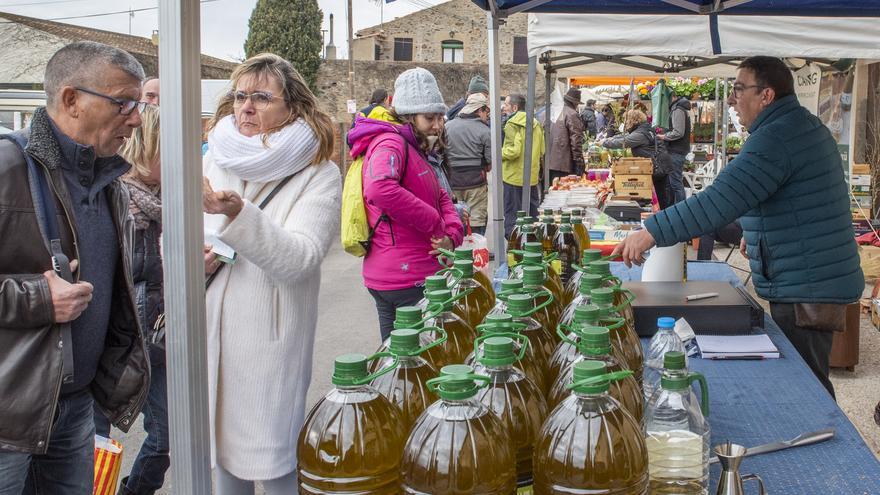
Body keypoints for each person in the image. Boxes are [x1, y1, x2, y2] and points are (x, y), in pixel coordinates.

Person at [613, 56, 864, 398]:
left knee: (806, 384)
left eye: (739, 89)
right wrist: (755, 231)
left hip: (808, 283)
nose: (732, 98)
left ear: (766, 95)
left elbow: (720, 200)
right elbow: (786, 196)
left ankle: (827, 442)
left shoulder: (778, 137)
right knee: (805, 375)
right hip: (810, 274)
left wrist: (650, 233)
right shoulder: (792, 126)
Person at [0, 41, 150, 494]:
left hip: (76, 408)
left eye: (138, 104)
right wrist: (41, 299)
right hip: (8, 418)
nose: (137, 117)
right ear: (71, 100)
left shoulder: (108, 182)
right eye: (123, 102)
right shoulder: (7, 167)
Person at [201, 53, 341, 494]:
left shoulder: (318, 173)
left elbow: (301, 258)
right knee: (220, 459)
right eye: (240, 95)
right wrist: (193, 254)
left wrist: (240, 215)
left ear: (293, 107)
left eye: (261, 97)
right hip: (209, 330)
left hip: (268, 338)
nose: (245, 107)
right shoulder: (216, 157)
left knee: (273, 458)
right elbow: (176, 234)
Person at [349, 67, 464, 341]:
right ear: (408, 116)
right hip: (403, 278)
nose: (437, 125)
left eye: (440, 117)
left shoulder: (417, 146)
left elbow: (441, 196)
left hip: (414, 273)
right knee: (414, 364)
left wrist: (452, 234)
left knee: (403, 365)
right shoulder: (390, 143)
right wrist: (434, 222)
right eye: (429, 118)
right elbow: (380, 188)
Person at [91, 105, 168, 495]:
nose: (175, 158)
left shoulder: (171, 204)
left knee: (166, 437)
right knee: (94, 442)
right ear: (143, 147)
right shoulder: (112, 199)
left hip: (158, 340)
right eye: (166, 148)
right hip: (114, 344)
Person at [600, 108, 671, 208]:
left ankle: (661, 217)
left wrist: (604, 142)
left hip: (657, 167)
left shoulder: (640, 134)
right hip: (658, 164)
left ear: (631, 120)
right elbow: (624, 136)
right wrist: (609, 138)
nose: (625, 123)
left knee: (661, 197)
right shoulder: (643, 129)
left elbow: (624, 141)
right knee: (660, 195)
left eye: (626, 120)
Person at [446, 92, 491, 235]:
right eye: (486, 111)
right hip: (476, 183)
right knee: (477, 220)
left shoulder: (448, 126)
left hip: (452, 182)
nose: (487, 115)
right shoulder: (485, 130)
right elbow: (490, 162)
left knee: (456, 217)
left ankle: (458, 252)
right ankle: (476, 251)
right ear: (479, 110)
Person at [501, 93, 544, 237]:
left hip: (513, 177)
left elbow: (513, 151)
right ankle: (533, 244)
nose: (503, 108)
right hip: (531, 177)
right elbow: (542, 150)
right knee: (532, 217)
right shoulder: (536, 123)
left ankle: (514, 249)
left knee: (513, 218)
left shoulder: (512, 124)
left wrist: (497, 153)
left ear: (514, 107)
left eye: (506, 105)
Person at [657, 93, 692, 204]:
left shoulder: (678, 110)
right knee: (673, 183)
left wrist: (664, 136)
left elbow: (678, 132)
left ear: (672, 97)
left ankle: (681, 210)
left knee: (676, 183)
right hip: (676, 151)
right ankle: (675, 208)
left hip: (676, 151)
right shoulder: (677, 108)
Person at [549, 87, 585, 181]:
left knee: (552, 190)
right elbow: (576, 139)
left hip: (550, 161)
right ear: (575, 103)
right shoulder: (572, 114)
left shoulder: (554, 112)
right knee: (562, 190)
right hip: (563, 162)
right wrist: (578, 160)